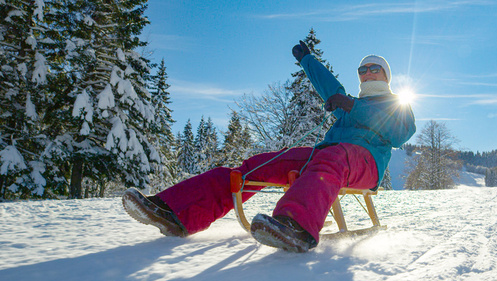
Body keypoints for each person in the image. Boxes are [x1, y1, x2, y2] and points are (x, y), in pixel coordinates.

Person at [122, 40, 416, 252]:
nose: (367, 73)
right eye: (362, 69)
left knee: (333, 158)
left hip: (365, 163)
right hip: (328, 156)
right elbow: (331, 89)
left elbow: (400, 132)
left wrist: (353, 106)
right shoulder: (349, 103)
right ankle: (175, 210)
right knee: (260, 164)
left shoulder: (396, 104)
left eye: (374, 68)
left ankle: (295, 225)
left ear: (386, 76)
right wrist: (307, 60)